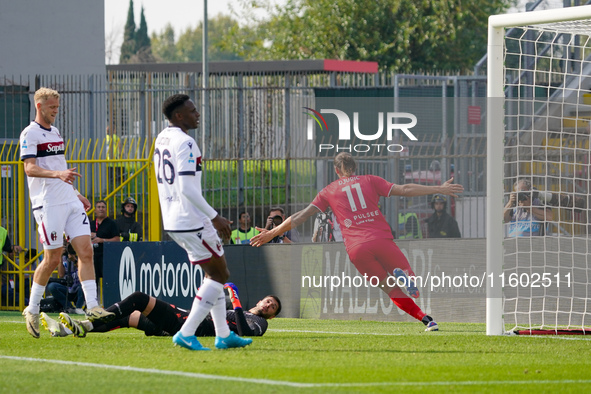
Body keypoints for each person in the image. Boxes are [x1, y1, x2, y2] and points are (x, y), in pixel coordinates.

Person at [251, 152, 464, 331]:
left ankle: (426, 319)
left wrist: (273, 233)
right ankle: (407, 276)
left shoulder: (329, 191)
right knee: (404, 272)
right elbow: (405, 189)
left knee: (389, 289)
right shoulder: (370, 180)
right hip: (380, 239)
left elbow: (301, 216)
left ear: (336, 171)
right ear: (356, 167)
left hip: (356, 249)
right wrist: (439, 189)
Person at [153, 93, 252, 351]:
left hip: (173, 219)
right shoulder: (186, 143)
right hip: (191, 219)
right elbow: (187, 188)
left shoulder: (162, 138)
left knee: (213, 275)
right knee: (220, 274)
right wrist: (215, 216)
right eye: (193, 111)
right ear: (179, 116)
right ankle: (186, 333)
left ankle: (223, 335)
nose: (197, 114)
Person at [19, 87, 114, 338]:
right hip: (48, 203)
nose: (56, 111)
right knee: (52, 259)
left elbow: (59, 166)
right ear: (39, 106)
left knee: (86, 251)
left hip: (68, 200)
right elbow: (30, 169)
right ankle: (32, 308)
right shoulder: (29, 133)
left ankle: (92, 307)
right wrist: (58, 175)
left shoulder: (56, 132)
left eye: (57, 107)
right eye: (52, 107)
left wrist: (76, 192)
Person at [40, 283, 281, 339]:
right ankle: (66, 329)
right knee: (127, 318)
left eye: (272, 307)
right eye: (268, 301)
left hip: (188, 325)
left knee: (137, 298)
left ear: (270, 315)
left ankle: (87, 323)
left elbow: (245, 332)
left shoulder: (260, 324)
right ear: (261, 300)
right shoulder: (229, 307)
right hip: (184, 319)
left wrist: (236, 301)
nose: (268, 305)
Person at [45, 243, 85, 313]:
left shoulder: (81, 254)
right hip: (68, 287)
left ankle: (79, 308)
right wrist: (60, 257)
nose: (68, 248)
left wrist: (74, 260)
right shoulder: (64, 258)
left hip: (79, 288)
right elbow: (61, 274)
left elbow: (83, 271)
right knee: (52, 286)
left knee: (84, 285)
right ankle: (69, 308)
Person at [89, 200, 120, 281]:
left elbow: (117, 239)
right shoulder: (91, 223)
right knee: (93, 280)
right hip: (92, 256)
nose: (101, 209)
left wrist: (103, 240)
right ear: (95, 210)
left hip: (106, 256)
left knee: (108, 280)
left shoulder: (112, 223)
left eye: (103, 207)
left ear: (106, 210)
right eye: (99, 207)